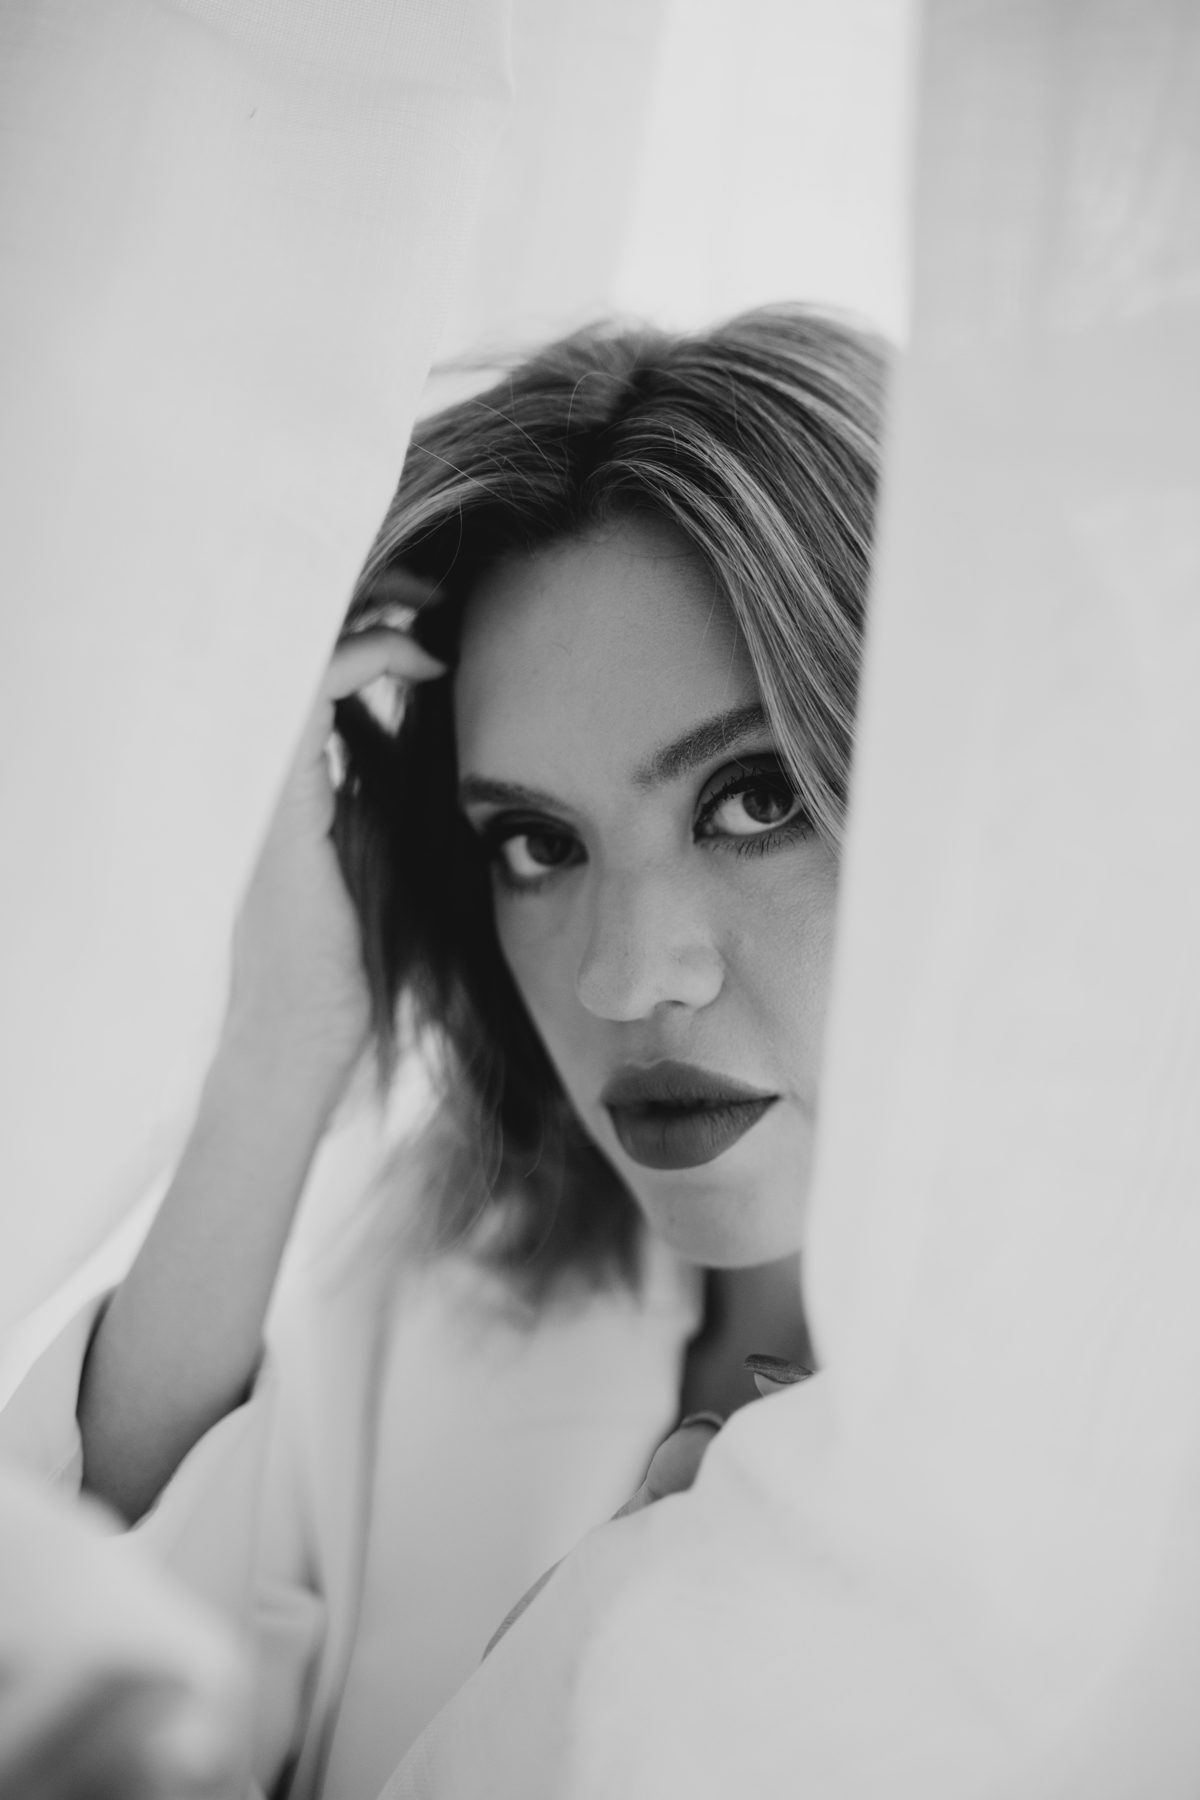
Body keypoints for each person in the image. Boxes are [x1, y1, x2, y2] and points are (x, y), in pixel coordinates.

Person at [1, 306, 884, 1800]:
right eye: (537, 842)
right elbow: (59, 1688)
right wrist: (279, 1050)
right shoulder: (433, 1276)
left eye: (755, 800)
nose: (621, 978)